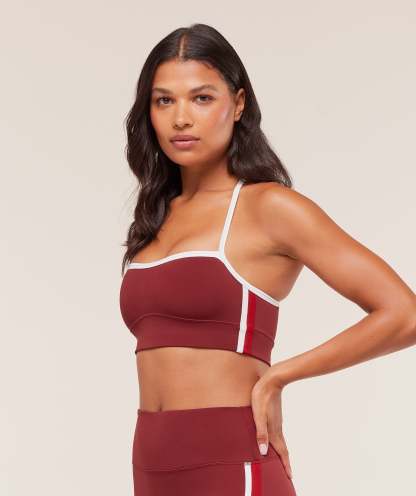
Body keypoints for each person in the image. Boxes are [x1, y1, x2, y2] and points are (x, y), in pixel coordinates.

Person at [119, 23, 416, 496]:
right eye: (164, 101)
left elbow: (404, 314)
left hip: (233, 465)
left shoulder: (268, 207)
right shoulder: (157, 216)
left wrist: (280, 375)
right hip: (152, 468)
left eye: (202, 98)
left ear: (237, 104)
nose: (181, 118)